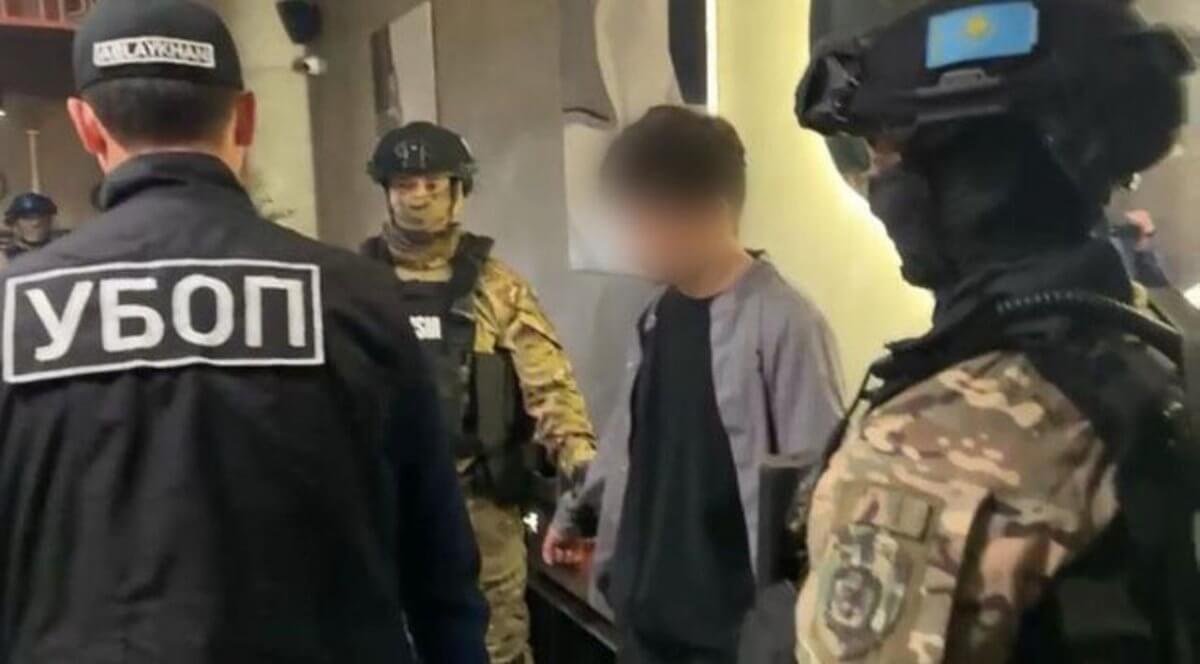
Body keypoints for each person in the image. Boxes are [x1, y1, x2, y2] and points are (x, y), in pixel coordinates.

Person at [0, 1, 488, 662]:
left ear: (85, 125)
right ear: (246, 117)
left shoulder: (13, 309)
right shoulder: (359, 298)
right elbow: (440, 572)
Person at [792, 0, 1198, 661]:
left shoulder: (932, 445)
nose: (879, 181)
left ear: (972, 171)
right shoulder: (1155, 353)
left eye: (888, 151)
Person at [544, 105, 845, 663]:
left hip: (728, 641)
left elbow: (820, 493)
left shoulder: (784, 323)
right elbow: (627, 445)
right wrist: (577, 514)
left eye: (644, 217)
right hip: (644, 628)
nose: (631, 238)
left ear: (711, 212)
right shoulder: (656, 316)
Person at [361, 121, 598, 664]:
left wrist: (585, 471)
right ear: (387, 192)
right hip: (381, 507)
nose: (419, 197)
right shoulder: (354, 283)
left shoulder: (497, 287)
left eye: (433, 184)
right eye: (405, 185)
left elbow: (550, 388)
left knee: (496, 648)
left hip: (480, 512)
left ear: (458, 193)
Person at [2, 192, 59, 265]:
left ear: (50, 221)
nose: (36, 223)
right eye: (27, 217)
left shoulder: (61, 252)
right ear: (14, 223)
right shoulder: (4, 258)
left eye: (42, 217)